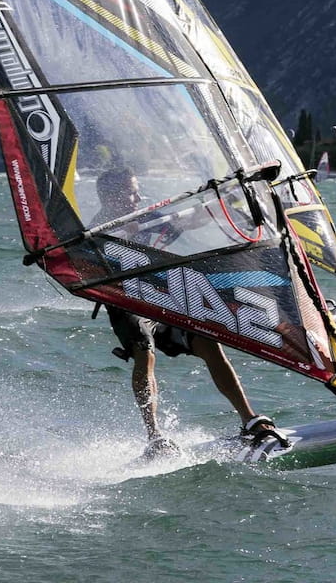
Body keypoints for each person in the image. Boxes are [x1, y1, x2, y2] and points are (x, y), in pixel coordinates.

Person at [92, 166, 285, 459]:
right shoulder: (95, 230)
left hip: (162, 300)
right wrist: (117, 236)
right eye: (131, 192)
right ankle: (155, 437)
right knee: (144, 352)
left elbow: (188, 220)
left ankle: (249, 420)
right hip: (127, 303)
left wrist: (223, 200)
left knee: (209, 343)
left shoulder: (146, 218)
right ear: (111, 196)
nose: (138, 197)